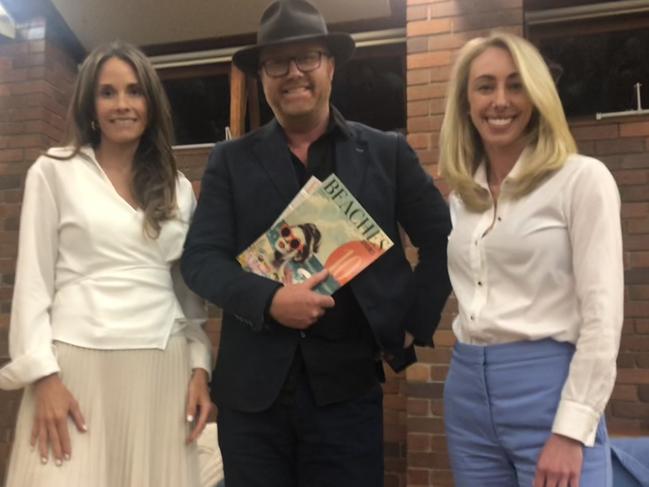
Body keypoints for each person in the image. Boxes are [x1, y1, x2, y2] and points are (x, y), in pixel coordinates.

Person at [180, 0, 451, 485]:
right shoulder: (230, 160)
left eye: (307, 58)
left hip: (347, 398)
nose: (293, 74)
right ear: (262, 76)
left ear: (330, 65)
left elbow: (444, 237)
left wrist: (415, 322)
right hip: (252, 405)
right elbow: (200, 260)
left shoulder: (386, 153)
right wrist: (270, 301)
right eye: (277, 63)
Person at [0, 40, 213, 487]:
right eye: (108, 92)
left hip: (162, 367)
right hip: (76, 367)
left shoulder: (177, 188)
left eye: (134, 92)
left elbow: (187, 293)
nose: (122, 104)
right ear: (90, 105)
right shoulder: (54, 171)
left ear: (151, 104)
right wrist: (43, 378)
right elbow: (33, 284)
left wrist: (200, 369)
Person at [438, 31, 623, 487]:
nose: (500, 100)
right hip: (467, 391)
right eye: (485, 86)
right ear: (466, 102)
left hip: (549, 389)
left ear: (538, 96)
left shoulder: (582, 180)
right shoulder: (464, 198)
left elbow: (603, 318)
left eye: (516, 85)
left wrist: (571, 430)